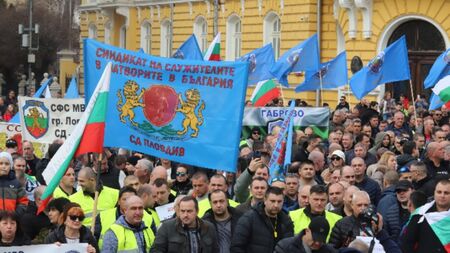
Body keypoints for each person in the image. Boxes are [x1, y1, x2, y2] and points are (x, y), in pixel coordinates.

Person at [231, 187, 294, 253]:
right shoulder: (249, 218)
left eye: (279, 201)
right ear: (265, 200)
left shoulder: (286, 221)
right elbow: (236, 247)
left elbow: (289, 248)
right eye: (272, 201)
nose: (276, 205)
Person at [150, 196, 218, 253]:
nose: (185, 215)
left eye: (189, 211)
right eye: (182, 211)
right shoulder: (167, 227)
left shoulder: (209, 227)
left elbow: (215, 250)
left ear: (197, 211)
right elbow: (156, 250)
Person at [401, 179, 450, 252]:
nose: (442, 196)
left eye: (446, 193)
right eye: (439, 192)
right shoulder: (420, 214)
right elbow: (407, 244)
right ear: (434, 193)